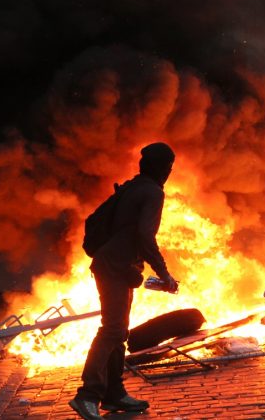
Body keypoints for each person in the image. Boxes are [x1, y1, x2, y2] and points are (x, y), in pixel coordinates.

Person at [69, 142, 180, 420]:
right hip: (114, 268)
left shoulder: (134, 186)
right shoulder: (152, 192)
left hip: (117, 266)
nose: (169, 172)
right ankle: (87, 395)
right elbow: (145, 236)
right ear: (164, 168)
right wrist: (163, 272)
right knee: (113, 330)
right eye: (169, 167)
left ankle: (114, 393)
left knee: (120, 331)